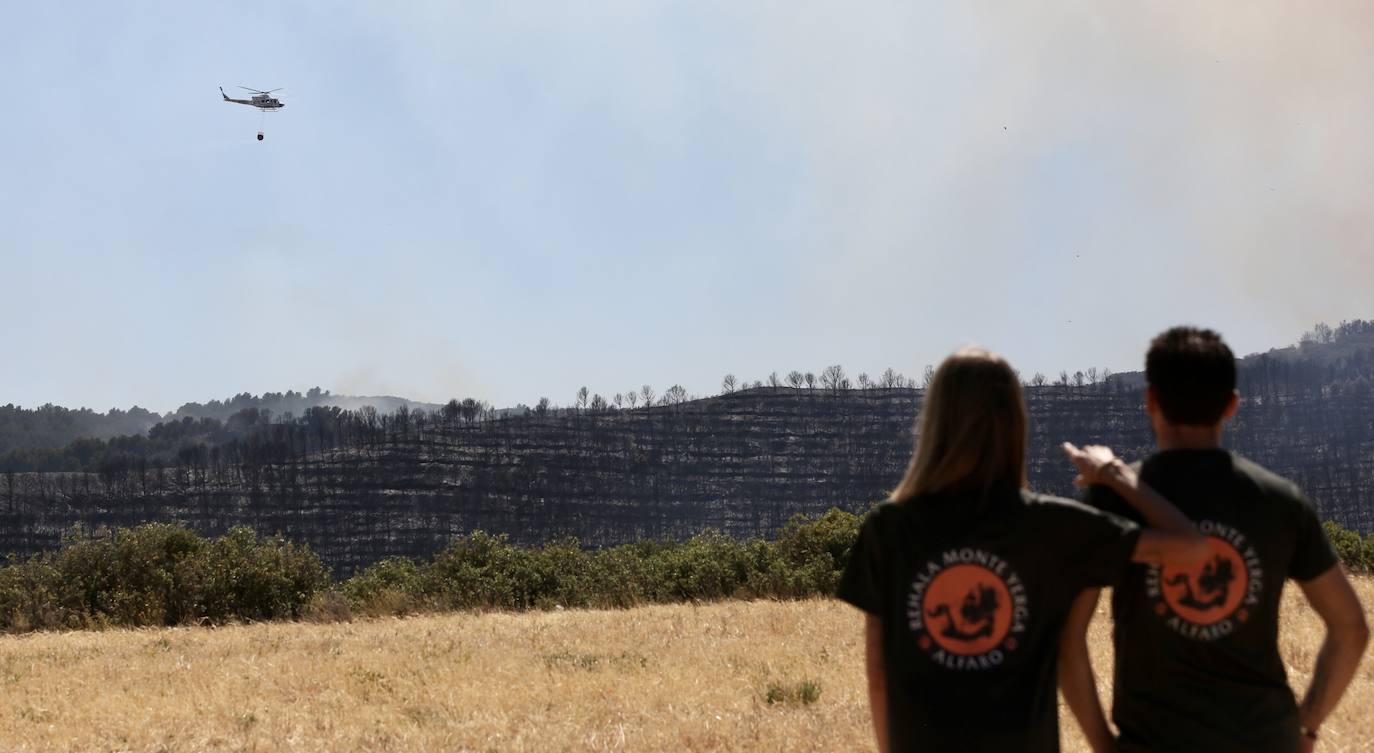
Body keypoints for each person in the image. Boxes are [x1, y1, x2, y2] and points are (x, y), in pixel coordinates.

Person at [836, 346, 1208, 753]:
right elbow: (1192, 549)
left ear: (935, 423)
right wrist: (1115, 474)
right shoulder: (1054, 526)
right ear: (1015, 423)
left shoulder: (888, 527)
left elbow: (878, 671)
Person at [1060, 326, 1369, 753]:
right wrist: (1307, 726)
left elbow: (1068, 636)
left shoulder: (1112, 498)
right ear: (1232, 406)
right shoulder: (1279, 501)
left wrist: (1102, 743)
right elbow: (1351, 627)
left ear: (1150, 402)